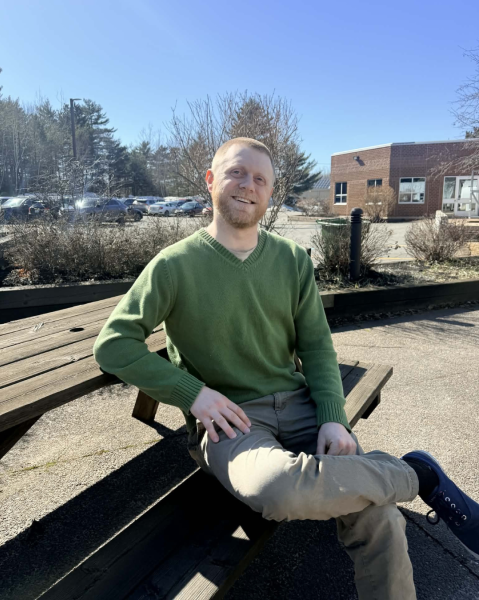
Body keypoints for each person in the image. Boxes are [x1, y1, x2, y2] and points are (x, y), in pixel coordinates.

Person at [93, 137, 478, 600]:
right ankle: (420, 477)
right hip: (231, 422)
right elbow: (113, 345)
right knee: (277, 490)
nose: (247, 186)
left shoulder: (291, 260)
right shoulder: (173, 266)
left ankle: (406, 487)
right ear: (211, 180)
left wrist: (333, 416)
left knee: (382, 518)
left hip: (298, 407)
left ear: (270, 193)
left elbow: (316, 346)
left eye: (260, 179)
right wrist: (192, 393)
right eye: (236, 173)